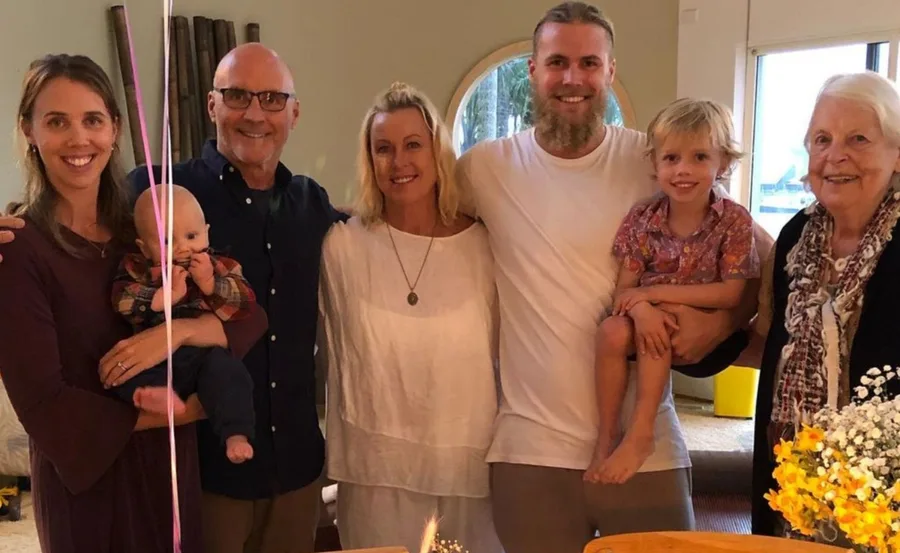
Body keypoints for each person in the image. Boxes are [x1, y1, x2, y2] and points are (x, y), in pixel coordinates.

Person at [456, 3, 771, 552]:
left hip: (646, 448)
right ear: (532, 70)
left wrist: (723, 322)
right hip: (530, 447)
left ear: (610, 71)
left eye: (588, 63)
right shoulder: (484, 169)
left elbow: (759, 263)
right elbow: (414, 220)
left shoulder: (657, 159)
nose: (572, 79)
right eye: (557, 62)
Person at [0, 53, 265, 553]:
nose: (79, 139)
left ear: (115, 128)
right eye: (57, 121)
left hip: (167, 473)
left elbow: (250, 320)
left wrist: (179, 333)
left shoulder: (144, 231)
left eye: (93, 119)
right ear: (29, 130)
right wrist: (193, 410)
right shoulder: (19, 251)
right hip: (89, 489)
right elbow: (46, 409)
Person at [128, 43, 346, 553]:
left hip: (296, 469)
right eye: (238, 96)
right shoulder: (158, 192)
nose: (254, 113)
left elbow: (384, 226)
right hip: (202, 471)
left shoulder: (311, 203)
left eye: (272, 98)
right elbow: (75, 238)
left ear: (294, 112)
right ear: (211, 105)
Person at [318, 82, 502, 553]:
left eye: (413, 145)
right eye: (384, 149)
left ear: (437, 152)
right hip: (375, 470)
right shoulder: (342, 247)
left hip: (469, 466)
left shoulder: (485, 247)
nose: (399, 163)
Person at [751, 71, 900, 537]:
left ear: (897, 154)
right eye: (822, 139)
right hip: (786, 478)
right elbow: (768, 342)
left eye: (859, 138)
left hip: (882, 499)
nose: (835, 155)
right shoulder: (796, 236)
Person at [584, 98, 759, 485]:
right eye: (671, 158)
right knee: (611, 330)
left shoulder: (733, 221)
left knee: (664, 319)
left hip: (708, 329)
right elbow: (624, 295)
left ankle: (642, 432)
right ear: (655, 164)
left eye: (699, 157)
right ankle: (606, 438)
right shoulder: (643, 219)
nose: (683, 170)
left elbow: (731, 295)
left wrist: (655, 295)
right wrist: (642, 309)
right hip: (648, 318)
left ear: (724, 164)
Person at [111, 184, 257, 464]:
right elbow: (122, 300)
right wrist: (160, 298)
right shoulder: (138, 268)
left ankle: (235, 433)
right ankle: (155, 396)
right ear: (144, 245)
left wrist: (210, 285)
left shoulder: (219, 266)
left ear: (207, 232)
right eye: (166, 241)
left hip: (202, 359)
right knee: (125, 372)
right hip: (154, 358)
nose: (182, 248)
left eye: (192, 236)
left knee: (230, 374)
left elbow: (245, 305)